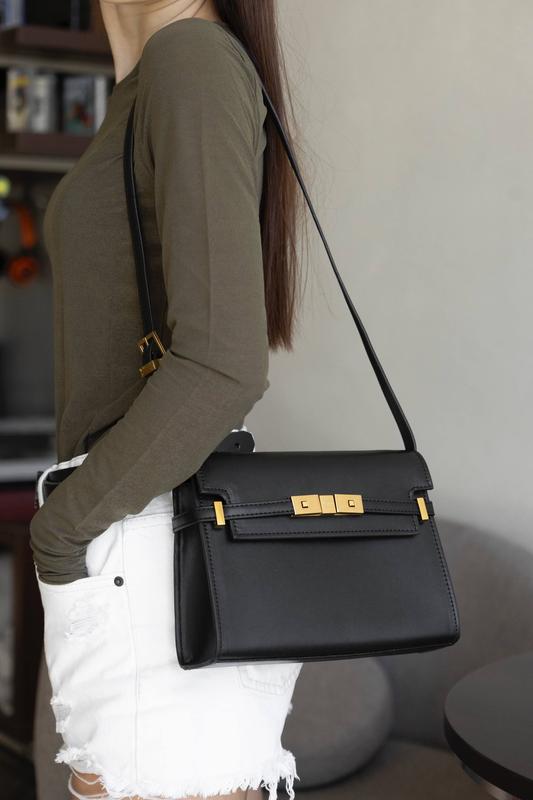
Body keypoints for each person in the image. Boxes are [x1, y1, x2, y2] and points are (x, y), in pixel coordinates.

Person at [29, 1, 307, 799]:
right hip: (134, 541)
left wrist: (64, 528)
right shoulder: (154, 75)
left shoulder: (191, 59)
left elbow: (222, 366)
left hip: (143, 547)